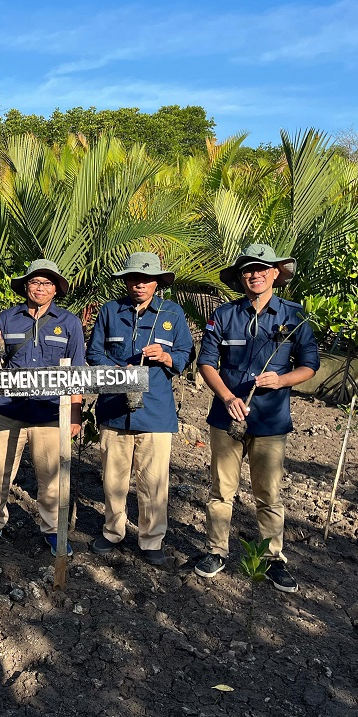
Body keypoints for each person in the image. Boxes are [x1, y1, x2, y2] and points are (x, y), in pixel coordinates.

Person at [194, 244, 319, 592]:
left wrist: (281, 380)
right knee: (221, 491)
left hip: (270, 421)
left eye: (262, 268)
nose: (255, 274)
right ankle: (216, 551)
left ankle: (272, 558)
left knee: (269, 493)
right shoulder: (224, 315)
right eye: (248, 269)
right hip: (226, 417)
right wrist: (228, 396)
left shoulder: (294, 317)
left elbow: (310, 365)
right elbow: (206, 362)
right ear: (240, 277)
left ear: (276, 273)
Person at [0, 259, 86, 557]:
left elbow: (78, 372)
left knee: (50, 479)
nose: (40, 288)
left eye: (47, 283)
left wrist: (75, 413)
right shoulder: (8, 318)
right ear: (26, 287)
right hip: (8, 410)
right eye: (35, 282)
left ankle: (52, 530)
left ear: (56, 289)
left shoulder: (69, 323)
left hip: (49, 413)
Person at [86, 252, 193, 566]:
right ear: (127, 281)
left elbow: (185, 354)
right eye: (134, 278)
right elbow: (95, 353)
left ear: (157, 282)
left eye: (146, 279)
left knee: (153, 481)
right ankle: (112, 531)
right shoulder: (110, 311)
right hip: (115, 408)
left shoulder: (172, 313)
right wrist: (119, 371)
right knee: (113, 478)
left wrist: (166, 356)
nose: (139, 284)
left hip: (156, 412)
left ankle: (151, 539)